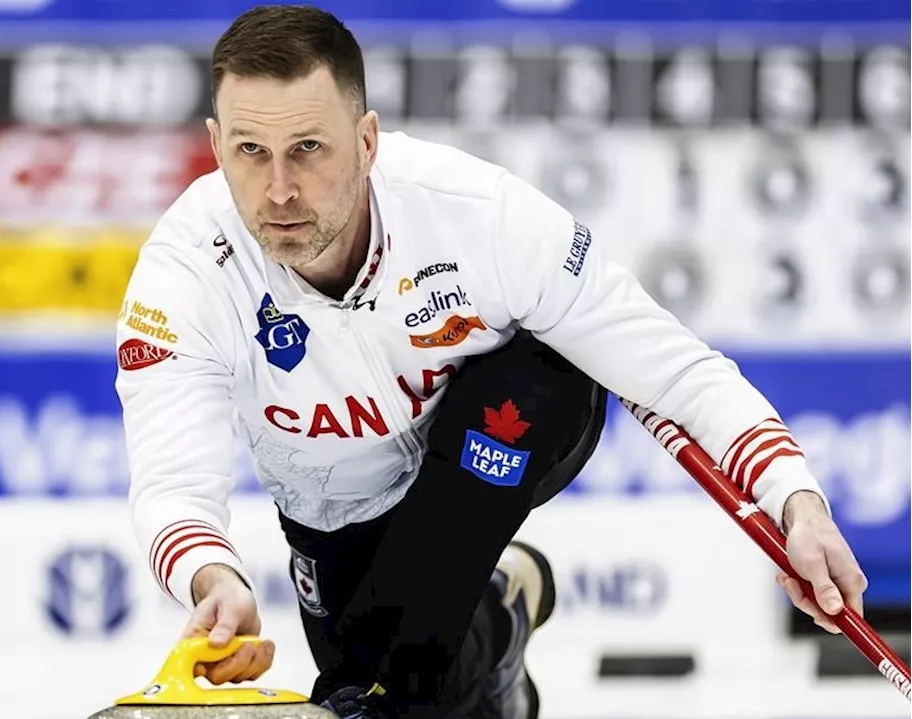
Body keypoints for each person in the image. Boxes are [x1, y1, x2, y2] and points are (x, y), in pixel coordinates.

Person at [113, 6, 868, 718]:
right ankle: (501, 611)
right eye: (251, 152)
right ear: (216, 147)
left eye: (309, 149)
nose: (279, 189)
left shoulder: (482, 216)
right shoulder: (184, 273)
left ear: (367, 140)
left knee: (397, 672)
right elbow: (174, 482)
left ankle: (459, 616)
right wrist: (212, 578)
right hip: (334, 502)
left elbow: (676, 373)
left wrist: (798, 502)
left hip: (509, 420)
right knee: (386, 686)